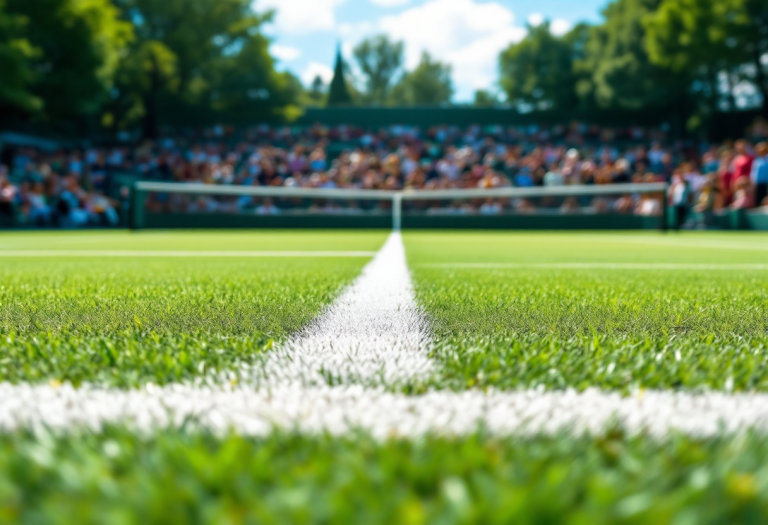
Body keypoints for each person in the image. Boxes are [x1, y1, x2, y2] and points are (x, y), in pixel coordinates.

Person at [751, 142, 768, 207]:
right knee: (759, 200)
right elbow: (753, 173)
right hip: (758, 184)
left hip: (766, 184)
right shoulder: (756, 160)